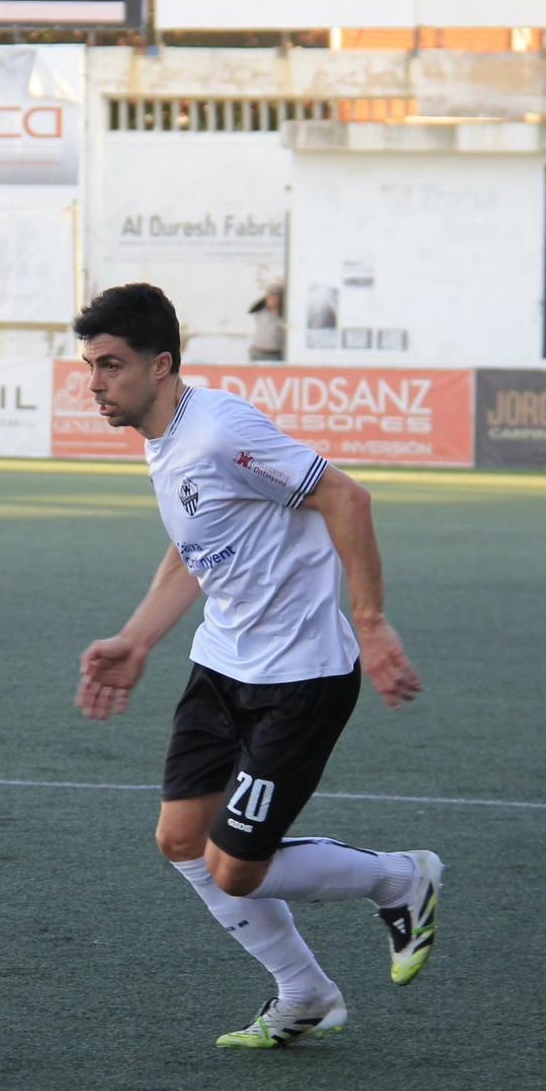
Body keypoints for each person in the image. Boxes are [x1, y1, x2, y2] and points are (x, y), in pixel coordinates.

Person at [72, 282, 442, 1049]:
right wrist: (138, 639)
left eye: (110, 366)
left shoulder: (218, 431)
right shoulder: (166, 442)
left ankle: (400, 879)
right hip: (222, 666)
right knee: (180, 841)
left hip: (301, 677)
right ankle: (305, 992)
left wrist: (370, 625)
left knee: (237, 868)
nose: (95, 384)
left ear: (162, 364)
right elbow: (197, 546)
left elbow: (347, 498)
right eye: (89, 367)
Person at [247, 282, 285, 361]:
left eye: (275, 297)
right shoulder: (261, 311)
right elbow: (251, 309)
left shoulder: (284, 314)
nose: (272, 299)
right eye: (270, 296)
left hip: (275, 354)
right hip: (258, 351)